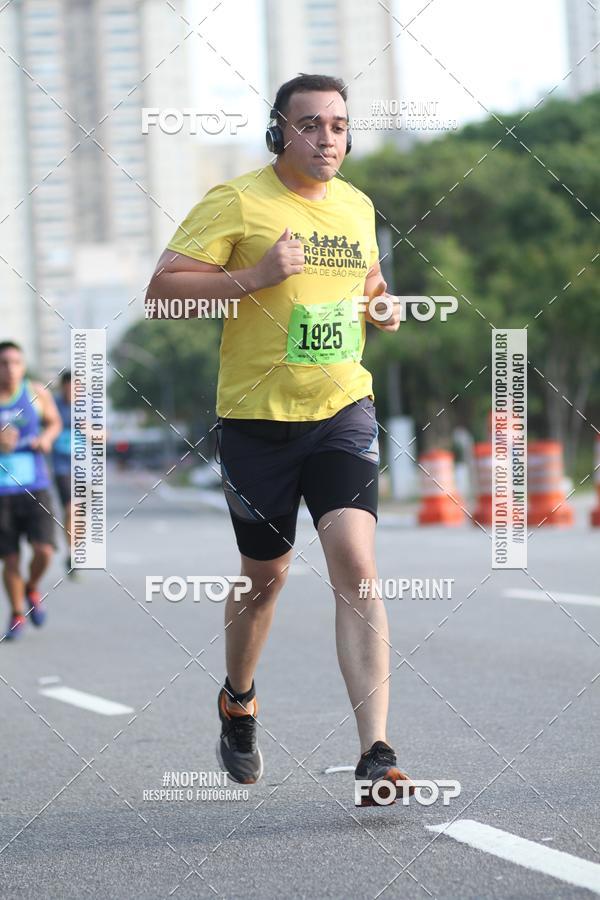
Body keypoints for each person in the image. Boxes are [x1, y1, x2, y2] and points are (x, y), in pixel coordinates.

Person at [146, 74, 413, 804]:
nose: (327, 138)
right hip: (257, 427)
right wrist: (254, 277)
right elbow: (163, 289)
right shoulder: (238, 201)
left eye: (338, 126)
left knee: (357, 568)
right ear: (279, 133)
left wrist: (380, 304)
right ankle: (238, 699)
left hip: (341, 410)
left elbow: (368, 282)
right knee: (264, 581)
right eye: (311, 125)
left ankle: (376, 753)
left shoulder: (357, 205)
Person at [0, 341, 61, 640]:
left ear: (23, 366)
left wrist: (47, 438)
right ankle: (15, 613)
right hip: (1, 492)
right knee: (10, 558)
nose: (10, 369)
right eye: (3, 363)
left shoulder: (36, 392)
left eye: (15, 362)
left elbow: (54, 422)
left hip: (35, 486)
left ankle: (32, 586)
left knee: (44, 550)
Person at [52, 371, 74, 575]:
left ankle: (74, 549)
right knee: (70, 509)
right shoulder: (53, 405)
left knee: (79, 515)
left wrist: (92, 432)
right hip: (61, 467)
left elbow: (104, 434)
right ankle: (71, 552)